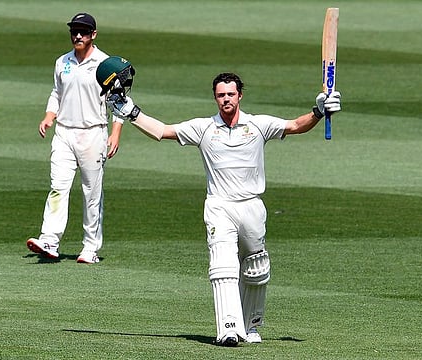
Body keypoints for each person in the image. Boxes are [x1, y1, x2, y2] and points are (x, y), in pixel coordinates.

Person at [96, 58, 341, 345]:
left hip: (251, 205)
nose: (225, 99)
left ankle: (250, 326)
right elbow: (163, 131)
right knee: (223, 265)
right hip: (219, 206)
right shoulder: (204, 128)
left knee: (256, 268)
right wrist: (131, 112)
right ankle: (228, 328)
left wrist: (319, 110)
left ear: (240, 96)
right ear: (215, 98)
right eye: (220, 95)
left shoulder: (259, 124)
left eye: (230, 94)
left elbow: (296, 125)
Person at [26, 13, 125, 264]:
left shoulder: (106, 64)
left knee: (92, 193)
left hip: (93, 133)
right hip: (64, 133)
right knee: (58, 187)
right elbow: (56, 93)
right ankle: (50, 239)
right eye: (74, 31)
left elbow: (119, 102)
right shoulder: (63, 62)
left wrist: (115, 133)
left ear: (93, 34)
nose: (77, 36)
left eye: (83, 31)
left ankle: (90, 248)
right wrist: (49, 116)